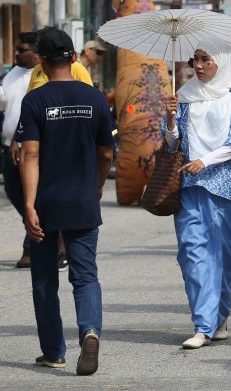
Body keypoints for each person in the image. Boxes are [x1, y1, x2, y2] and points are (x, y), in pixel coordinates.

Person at [17, 28, 113, 375]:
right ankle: (89, 330)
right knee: (85, 276)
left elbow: (30, 155)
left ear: (40, 60)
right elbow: (105, 152)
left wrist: (29, 206)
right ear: (74, 57)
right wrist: (99, 185)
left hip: (46, 203)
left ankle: (54, 351)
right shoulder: (96, 98)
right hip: (84, 200)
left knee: (44, 279)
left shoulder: (35, 101)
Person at [163, 40, 231, 350]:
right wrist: (171, 119)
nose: (199, 66)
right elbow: (174, 145)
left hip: (222, 184)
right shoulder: (184, 96)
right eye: (195, 60)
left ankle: (219, 317)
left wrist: (206, 161)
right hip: (188, 185)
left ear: (222, 63)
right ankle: (203, 324)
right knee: (190, 252)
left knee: (220, 254)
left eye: (206, 60)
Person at [3, 31, 39, 269]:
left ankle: (31, 246)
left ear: (36, 53)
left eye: (21, 50)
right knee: (14, 192)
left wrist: (20, 138)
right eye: (16, 49)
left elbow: (29, 115)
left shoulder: (40, 75)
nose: (16, 53)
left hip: (31, 147)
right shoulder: (11, 75)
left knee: (32, 198)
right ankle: (39, 232)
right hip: (9, 147)